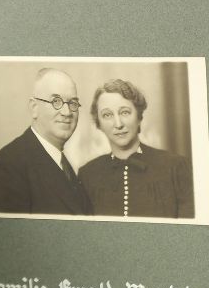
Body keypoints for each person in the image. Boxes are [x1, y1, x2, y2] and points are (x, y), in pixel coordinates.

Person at [78, 79, 194, 218]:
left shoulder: (176, 167)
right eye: (107, 115)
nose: (118, 124)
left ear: (139, 117)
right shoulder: (88, 175)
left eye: (125, 112)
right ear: (99, 124)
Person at [0, 68, 91, 215]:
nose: (67, 112)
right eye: (56, 101)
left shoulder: (63, 165)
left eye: (72, 103)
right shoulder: (8, 165)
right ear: (34, 108)